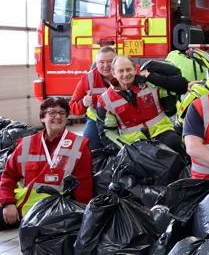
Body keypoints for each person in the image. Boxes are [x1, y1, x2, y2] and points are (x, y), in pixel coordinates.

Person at [0, 98, 93, 229]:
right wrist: (8, 203)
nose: (58, 116)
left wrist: (84, 215)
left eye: (62, 113)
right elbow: (8, 176)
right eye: (52, 112)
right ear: (43, 118)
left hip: (56, 212)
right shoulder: (26, 144)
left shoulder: (79, 145)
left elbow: (84, 183)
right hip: (21, 209)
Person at [97, 55, 185, 157]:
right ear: (113, 73)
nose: (125, 74)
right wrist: (125, 149)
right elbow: (108, 133)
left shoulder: (150, 84)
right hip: (134, 143)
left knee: (175, 144)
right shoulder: (105, 100)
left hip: (163, 131)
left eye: (129, 69)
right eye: (121, 71)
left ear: (135, 69)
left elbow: (181, 87)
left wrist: (152, 77)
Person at [69, 47, 116, 151]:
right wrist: (83, 103)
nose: (106, 65)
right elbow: (72, 106)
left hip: (123, 120)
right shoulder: (87, 80)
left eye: (110, 61)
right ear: (96, 63)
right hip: (97, 120)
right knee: (87, 148)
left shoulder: (126, 73)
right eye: (101, 62)